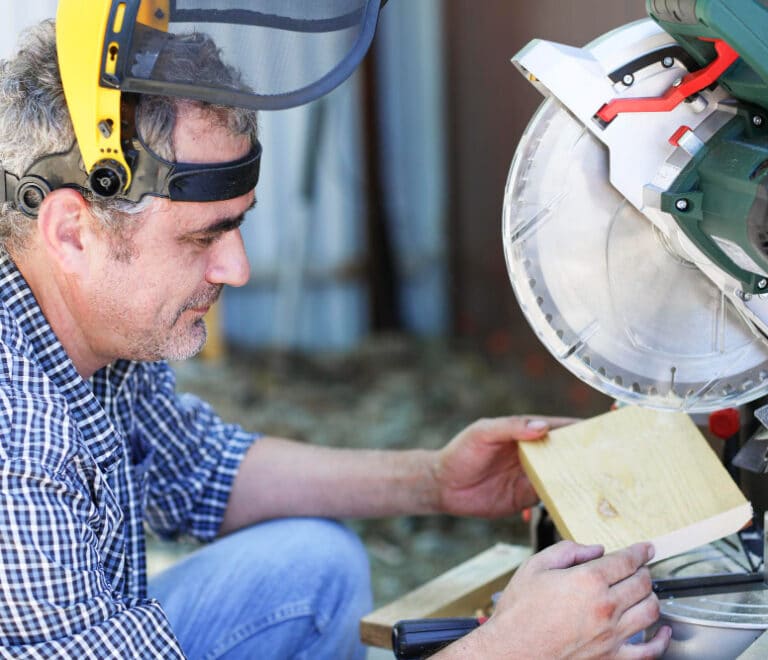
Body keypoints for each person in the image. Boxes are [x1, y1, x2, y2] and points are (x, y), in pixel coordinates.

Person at [0, 19, 670, 659]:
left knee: (312, 569)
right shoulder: (20, 445)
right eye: (202, 237)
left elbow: (201, 469)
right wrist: (513, 649)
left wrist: (435, 481)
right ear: (70, 232)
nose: (237, 268)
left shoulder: (93, 332)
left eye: (235, 227)